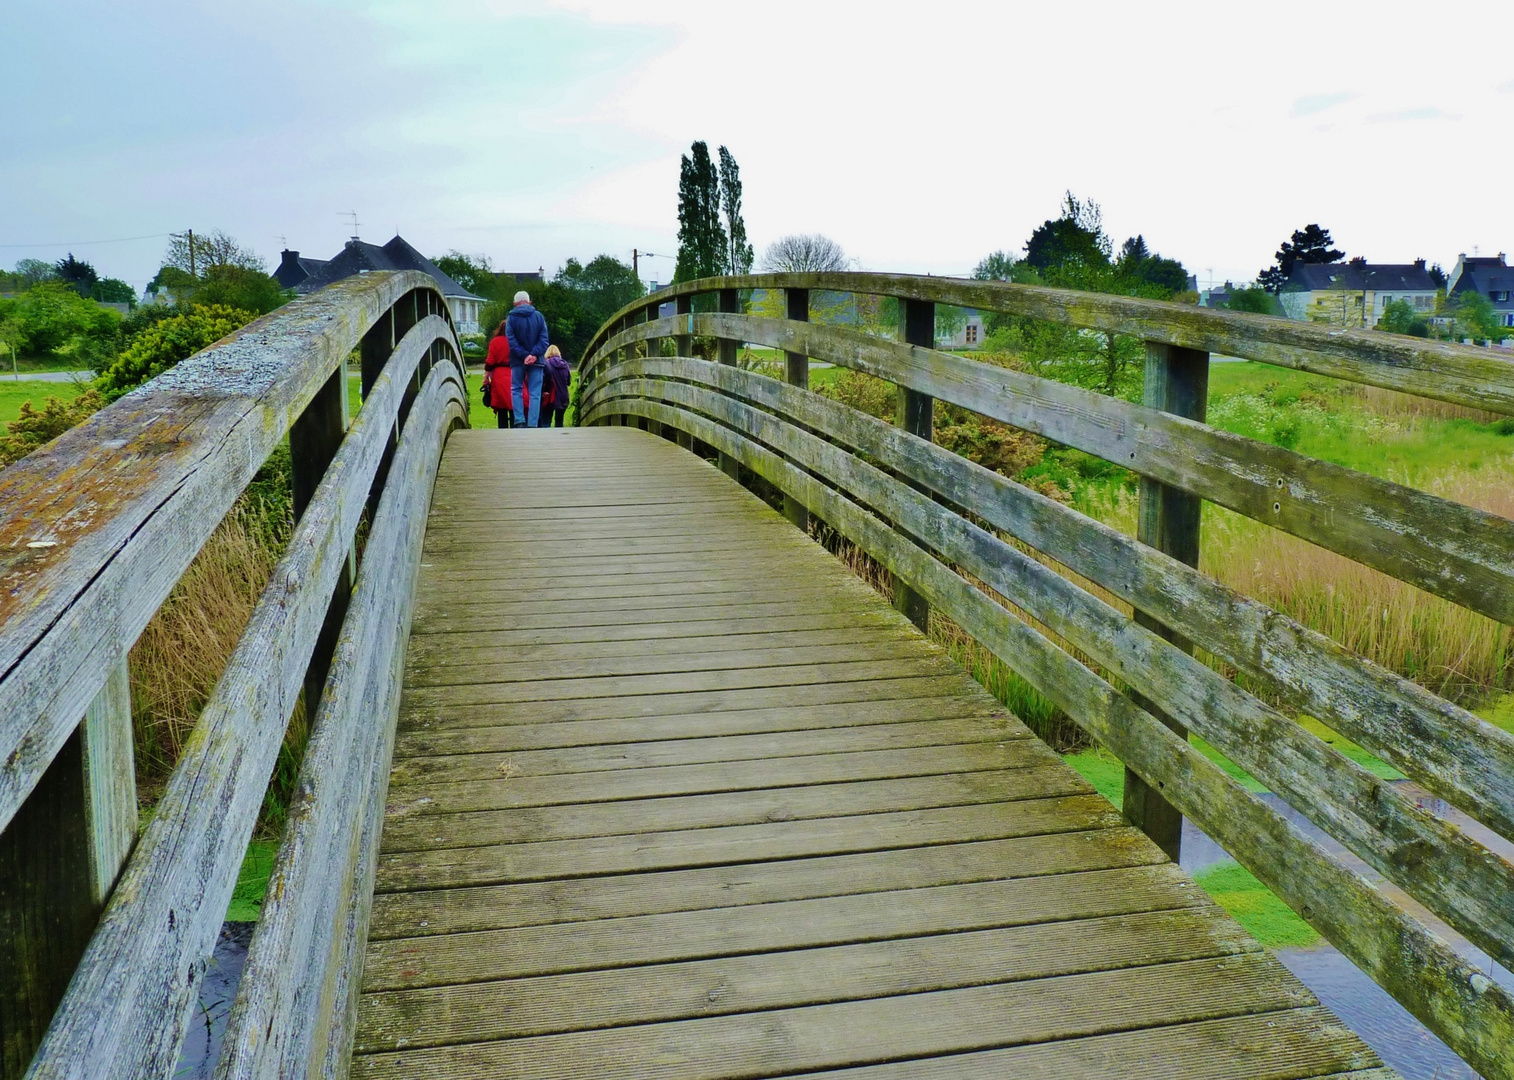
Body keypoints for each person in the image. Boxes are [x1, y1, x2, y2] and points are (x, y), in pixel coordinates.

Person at [505, 290, 549, 427]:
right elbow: (544, 340)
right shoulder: (538, 316)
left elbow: (511, 341)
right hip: (537, 361)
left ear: (514, 303)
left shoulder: (511, 318)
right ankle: (532, 424)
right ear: (529, 302)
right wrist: (534, 355)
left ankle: (519, 421)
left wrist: (524, 355)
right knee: (535, 392)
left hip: (518, 360)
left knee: (516, 389)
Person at [484, 321, 515, 428]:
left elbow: (490, 361)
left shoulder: (495, 342)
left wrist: (486, 375)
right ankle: (515, 428)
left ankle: (502, 429)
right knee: (514, 402)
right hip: (514, 373)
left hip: (499, 375)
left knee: (501, 404)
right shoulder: (516, 341)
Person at [542, 345, 571, 428]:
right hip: (563, 396)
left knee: (546, 421)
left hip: (550, 396)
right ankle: (559, 438)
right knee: (559, 420)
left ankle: (546, 439)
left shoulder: (546, 364)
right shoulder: (565, 365)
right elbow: (568, 382)